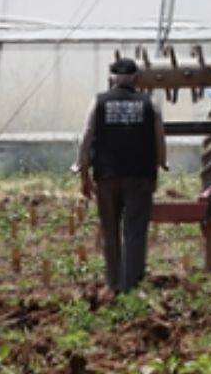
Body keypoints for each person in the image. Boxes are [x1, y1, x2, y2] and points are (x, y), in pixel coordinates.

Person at [76, 57, 167, 293]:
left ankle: (113, 283)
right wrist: (158, 168)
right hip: (139, 177)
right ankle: (131, 285)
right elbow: (160, 141)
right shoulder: (151, 104)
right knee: (135, 231)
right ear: (136, 79)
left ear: (111, 78)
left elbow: (85, 138)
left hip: (107, 177)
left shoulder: (99, 102)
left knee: (110, 230)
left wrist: (83, 173)